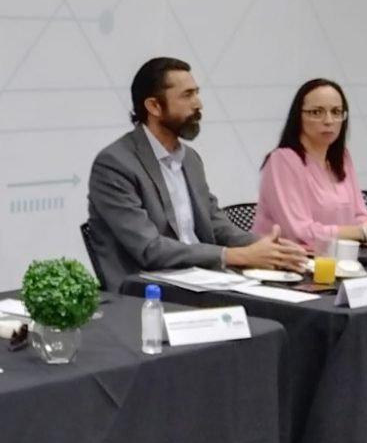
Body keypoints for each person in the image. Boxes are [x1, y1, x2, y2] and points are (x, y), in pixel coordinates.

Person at [87, 57, 306, 291]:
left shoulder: (190, 159)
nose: (198, 104)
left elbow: (215, 223)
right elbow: (150, 249)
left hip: (204, 280)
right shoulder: (115, 164)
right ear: (154, 106)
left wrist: (268, 247)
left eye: (197, 93)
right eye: (187, 95)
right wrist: (235, 255)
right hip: (147, 289)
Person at [254, 78, 367, 249]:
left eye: (336, 112)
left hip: (337, 258)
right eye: (317, 112)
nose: (329, 121)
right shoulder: (282, 160)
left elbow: (359, 216)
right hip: (288, 260)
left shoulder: (342, 158)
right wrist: (366, 231)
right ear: (298, 117)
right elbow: (301, 233)